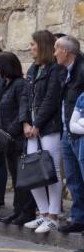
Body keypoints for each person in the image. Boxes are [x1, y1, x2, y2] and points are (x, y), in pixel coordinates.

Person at [20, 30, 66, 233]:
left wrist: (37, 124)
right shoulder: (33, 69)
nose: (30, 48)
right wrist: (24, 123)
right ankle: (43, 212)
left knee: (52, 170)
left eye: (33, 44)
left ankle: (53, 215)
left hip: (48, 128)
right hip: (31, 128)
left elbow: (51, 99)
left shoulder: (55, 70)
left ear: (42, 45)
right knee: (32, 170)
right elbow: (24, 98)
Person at [0, 52, 37, 226]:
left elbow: (22, 109)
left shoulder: (20, 85)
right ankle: (17, 210)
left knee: (22, 176)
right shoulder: (5, 85)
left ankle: (26, 212)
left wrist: (10, 131)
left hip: (17, 138)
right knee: (15, 174)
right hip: (8, 139)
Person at [57, 36, 84, 233]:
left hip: (79, 132)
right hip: (67, 131)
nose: (54, 53)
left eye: (57, 49)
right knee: (73, 178)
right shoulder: (64, 72)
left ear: (66, 52)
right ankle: (78, 217)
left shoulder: (81, 71)